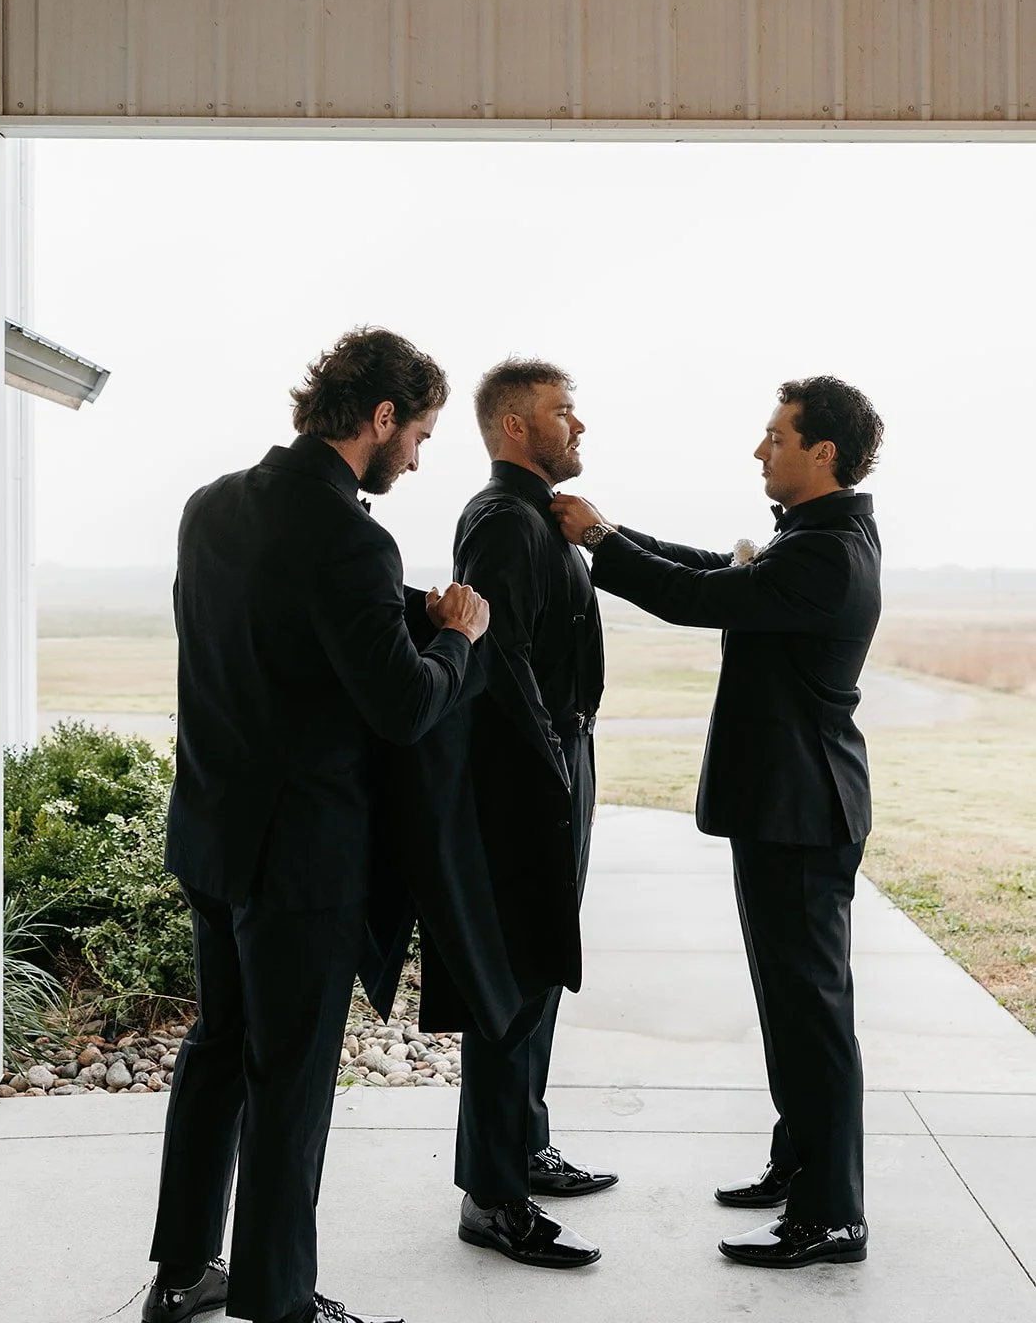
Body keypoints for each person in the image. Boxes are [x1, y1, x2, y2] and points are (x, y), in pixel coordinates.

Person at [142, 328, 489, 1323]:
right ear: (379, 419)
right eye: (418, 432)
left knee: (218, 1052)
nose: (419, 454)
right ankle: (280, 1303)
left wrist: (393, 609)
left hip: (211, 833)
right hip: (301, 859)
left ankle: (179, 1278)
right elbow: (402, 706)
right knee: (288, 1079)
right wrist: (456, 638)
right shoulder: (352, 538)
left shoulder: (209, 507)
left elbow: (258, 646)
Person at [552, 375, 884, 1271]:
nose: (758, 449)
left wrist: (599, 539)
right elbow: (708, 569)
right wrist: (610, 535)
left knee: (812, 1015)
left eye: (774, 435)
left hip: (802, 812)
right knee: (790, 1005)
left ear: (822, 451)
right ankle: (798, 1164)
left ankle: (833, 1216)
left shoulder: (825, 554)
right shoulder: (815, 537)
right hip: (785, 809)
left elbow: (699, 600)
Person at [449, 359, 617, 1272]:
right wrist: (551, 766)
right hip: (524, 782)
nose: (578, 427)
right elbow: (493, 662)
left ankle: (525, 1145)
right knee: (510, 983)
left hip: (561, 763)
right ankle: (491, 1197)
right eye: (563, 413)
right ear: (515, 427)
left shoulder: (540, 518)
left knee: (543, 965)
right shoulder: (503, 524)